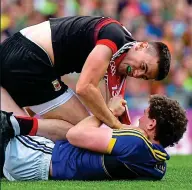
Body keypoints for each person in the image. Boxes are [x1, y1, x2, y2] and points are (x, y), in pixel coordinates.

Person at [1, 16, 171, 130]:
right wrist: (116, 125)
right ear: (141, 46)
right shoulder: (115, 37)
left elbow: (108, 109)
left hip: (20, 53)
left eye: (143, 76)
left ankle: (13, 126)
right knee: (82, 129)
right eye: (143, 67)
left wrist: (116, 121)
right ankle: (14, 126)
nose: (137, 73)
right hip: (30, 58)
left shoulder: (120, 56)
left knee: (86, 128)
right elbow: (85, 88)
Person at [2, 95, 187, 181]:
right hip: (40, 167)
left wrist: (108, 111)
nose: (141, 117)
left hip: (38, 157)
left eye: (145, 114)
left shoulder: (136, 141)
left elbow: (74, 135)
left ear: (151, 124)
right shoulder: (158, 166)